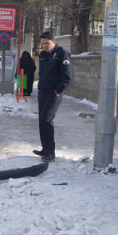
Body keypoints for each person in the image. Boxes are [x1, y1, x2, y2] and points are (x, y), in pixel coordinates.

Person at [32, 31, 71, 162]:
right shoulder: (42, 55)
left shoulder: (61, 54)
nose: (44, 46)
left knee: (47, 120)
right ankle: (45, 149)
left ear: (53, 41)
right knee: (41, 120)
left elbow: (66, 76)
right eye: (42, 43)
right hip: (43, 92)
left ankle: (50, 152)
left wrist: (58, 90)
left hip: (54, 93)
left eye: (47, 43)